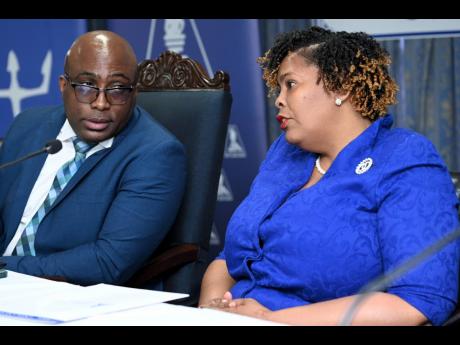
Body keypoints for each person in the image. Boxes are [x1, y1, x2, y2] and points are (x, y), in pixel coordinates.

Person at [199, 26, 459, 325]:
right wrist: (211, 310)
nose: (279, 100)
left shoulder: (404, 157)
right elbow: (231, 259)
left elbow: (418, 301)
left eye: (291, 84)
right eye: (279, 89)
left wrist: (273, 319)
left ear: (341, 87)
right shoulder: (284, 155)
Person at [0, 31, 186, 286]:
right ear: (64, 86)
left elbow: (108, 262)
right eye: (86, 87)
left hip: (72, 296)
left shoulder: (157, 154)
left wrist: (6, 268)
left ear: (134, 93)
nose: (101, 103)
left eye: (118, 90)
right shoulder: (28, 126)